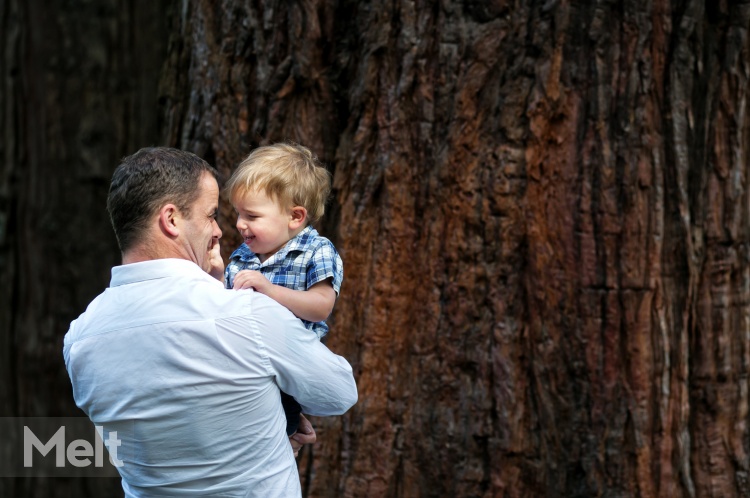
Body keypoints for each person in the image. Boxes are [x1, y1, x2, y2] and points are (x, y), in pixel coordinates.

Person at [63, 147, 357, 497]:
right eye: (211, 215)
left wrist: (269, 424)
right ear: (171, 220)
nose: (220, 231)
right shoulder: (247, 312)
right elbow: (337, 393)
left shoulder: (79, 339)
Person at [222, 143, 343, 436]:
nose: (240, 224)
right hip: (244, 364)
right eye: (238, 214)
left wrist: (268, 289)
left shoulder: (315, 250)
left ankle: (289, 438)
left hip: (289, 364)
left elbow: (320, 306)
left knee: (276, 427)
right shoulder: (242, 256)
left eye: (252, 216)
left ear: (295, 217)